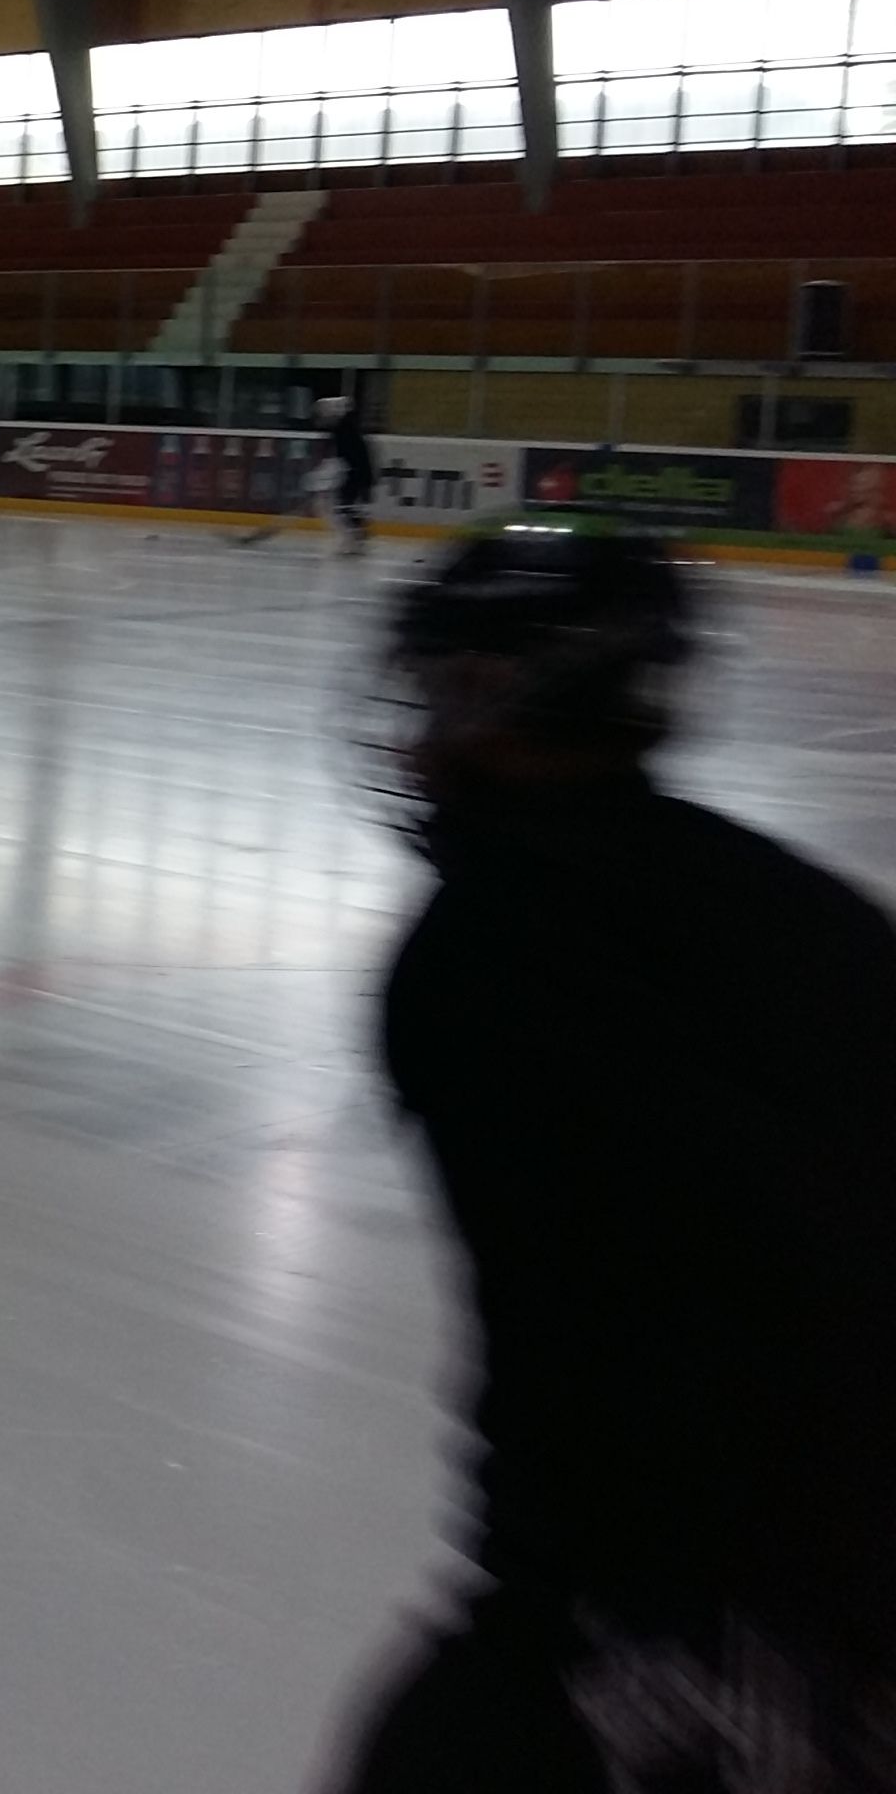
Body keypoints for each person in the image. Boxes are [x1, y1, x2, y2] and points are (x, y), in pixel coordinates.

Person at [320, 522, 896, 1793]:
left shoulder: (483, 954)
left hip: (679, 1612)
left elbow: (647, 1339)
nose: (415, 738)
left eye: (448, 690)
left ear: (519, 698)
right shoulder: (792, 907)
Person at [318, 393, 377, 555]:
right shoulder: (344, 429)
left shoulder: (344, 430)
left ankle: (352, 539)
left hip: (355, 476)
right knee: (345, 508)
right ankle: (355, 537)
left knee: (342, 508)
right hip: (354, 475)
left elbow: (346, 457)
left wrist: (329, 474)